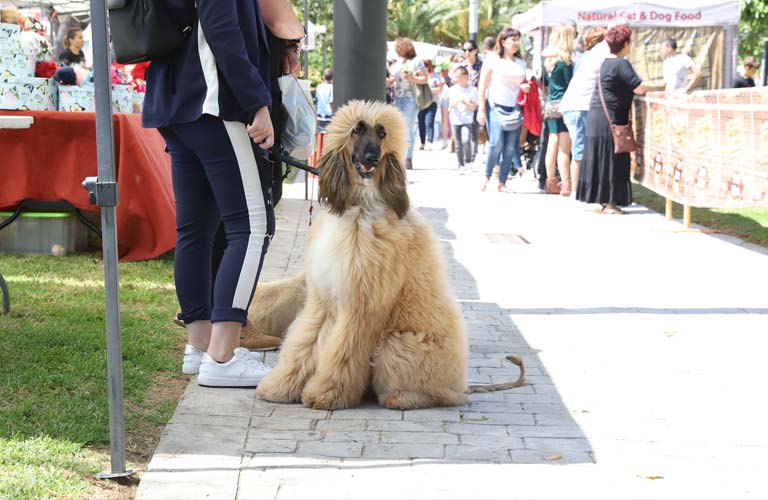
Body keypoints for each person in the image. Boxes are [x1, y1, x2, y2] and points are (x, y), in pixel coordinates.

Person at [143, 0, 277, 387]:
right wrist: (257, 101)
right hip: (213, 101)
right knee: (252, 227)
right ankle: (223, 355)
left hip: (176, 101)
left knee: (196, 230)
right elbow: (222, 29)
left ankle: (200, 345)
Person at [576, 24, 647, 214]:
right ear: (626, 43)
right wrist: (662, 86)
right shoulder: (621, 63)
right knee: (613, 160)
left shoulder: (605, 63)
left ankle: (602, 201)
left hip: (596, 117)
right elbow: (639, 88)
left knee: (600, 158)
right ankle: (611, 204)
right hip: (612, 120)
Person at [477, 27, 530, 192]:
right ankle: (486, 176)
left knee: (510, 146)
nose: (515, 43)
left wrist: (524, 86)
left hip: (514, 108)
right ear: (503, 41)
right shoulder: (493, 60)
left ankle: (502, 182)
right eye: (512, 39)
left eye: (517, 39)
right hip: (495, 106)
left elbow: (522, 83)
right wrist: (481, 109)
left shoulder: (521, 63)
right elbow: (482, 85)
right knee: (495, 143)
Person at [559, 27, 609, 198]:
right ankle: (576, 191)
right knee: (579, 150)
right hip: (580, 106)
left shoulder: (583, 58)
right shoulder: (600, 55)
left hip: (572, 106)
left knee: (578, 149)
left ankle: (579, 189)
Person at [541, 23, 575, 195]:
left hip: (550, 104)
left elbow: (545, 84)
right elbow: (571, 84)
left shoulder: (546, 60)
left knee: (551, 143)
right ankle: (567, 184)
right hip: (564, 104)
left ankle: (551, 182)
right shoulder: (566, 61)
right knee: (564, 148)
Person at [391, 37, 428, 170]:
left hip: (410, 98)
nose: (397, 51)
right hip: (397, 97)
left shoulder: (417, 61)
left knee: (408, 127)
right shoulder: (398, 62)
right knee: (398, 128)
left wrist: (410, 78)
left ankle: (408, 157)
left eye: (398, 48)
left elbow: (425, 78)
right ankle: (400, 157)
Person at [448, 65, 478, 173]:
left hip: (467, 119)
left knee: (466, 140)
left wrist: (464, 102)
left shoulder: (473, 90)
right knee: (458, 143)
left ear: (465, 76)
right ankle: (460, 164)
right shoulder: (452, 89)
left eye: (458, 77)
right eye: (455, 77)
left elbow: (473, 107)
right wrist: (456, 103)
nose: (456, 79)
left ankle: (468, 161)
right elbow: (450, 106)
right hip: (455, 118)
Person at [462, 39, 483, 162]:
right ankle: (465, 156)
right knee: (463, 131)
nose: (467, 52)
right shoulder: (461, 66)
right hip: (463, 102)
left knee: (474, 130)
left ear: (475, 50)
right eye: (464, 50)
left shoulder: (481, 66)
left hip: (476, 101)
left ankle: (472, 157)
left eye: (469, 49)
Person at [417, 59, 441, 151]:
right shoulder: (418, 76)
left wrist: (428, 90)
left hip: (432, 102)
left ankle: (430, 141)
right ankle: (422, 142)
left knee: (429, 122)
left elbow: (439, 89)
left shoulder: (435, 76)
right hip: (421, 102)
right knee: (421, 122)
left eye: (425, 65)